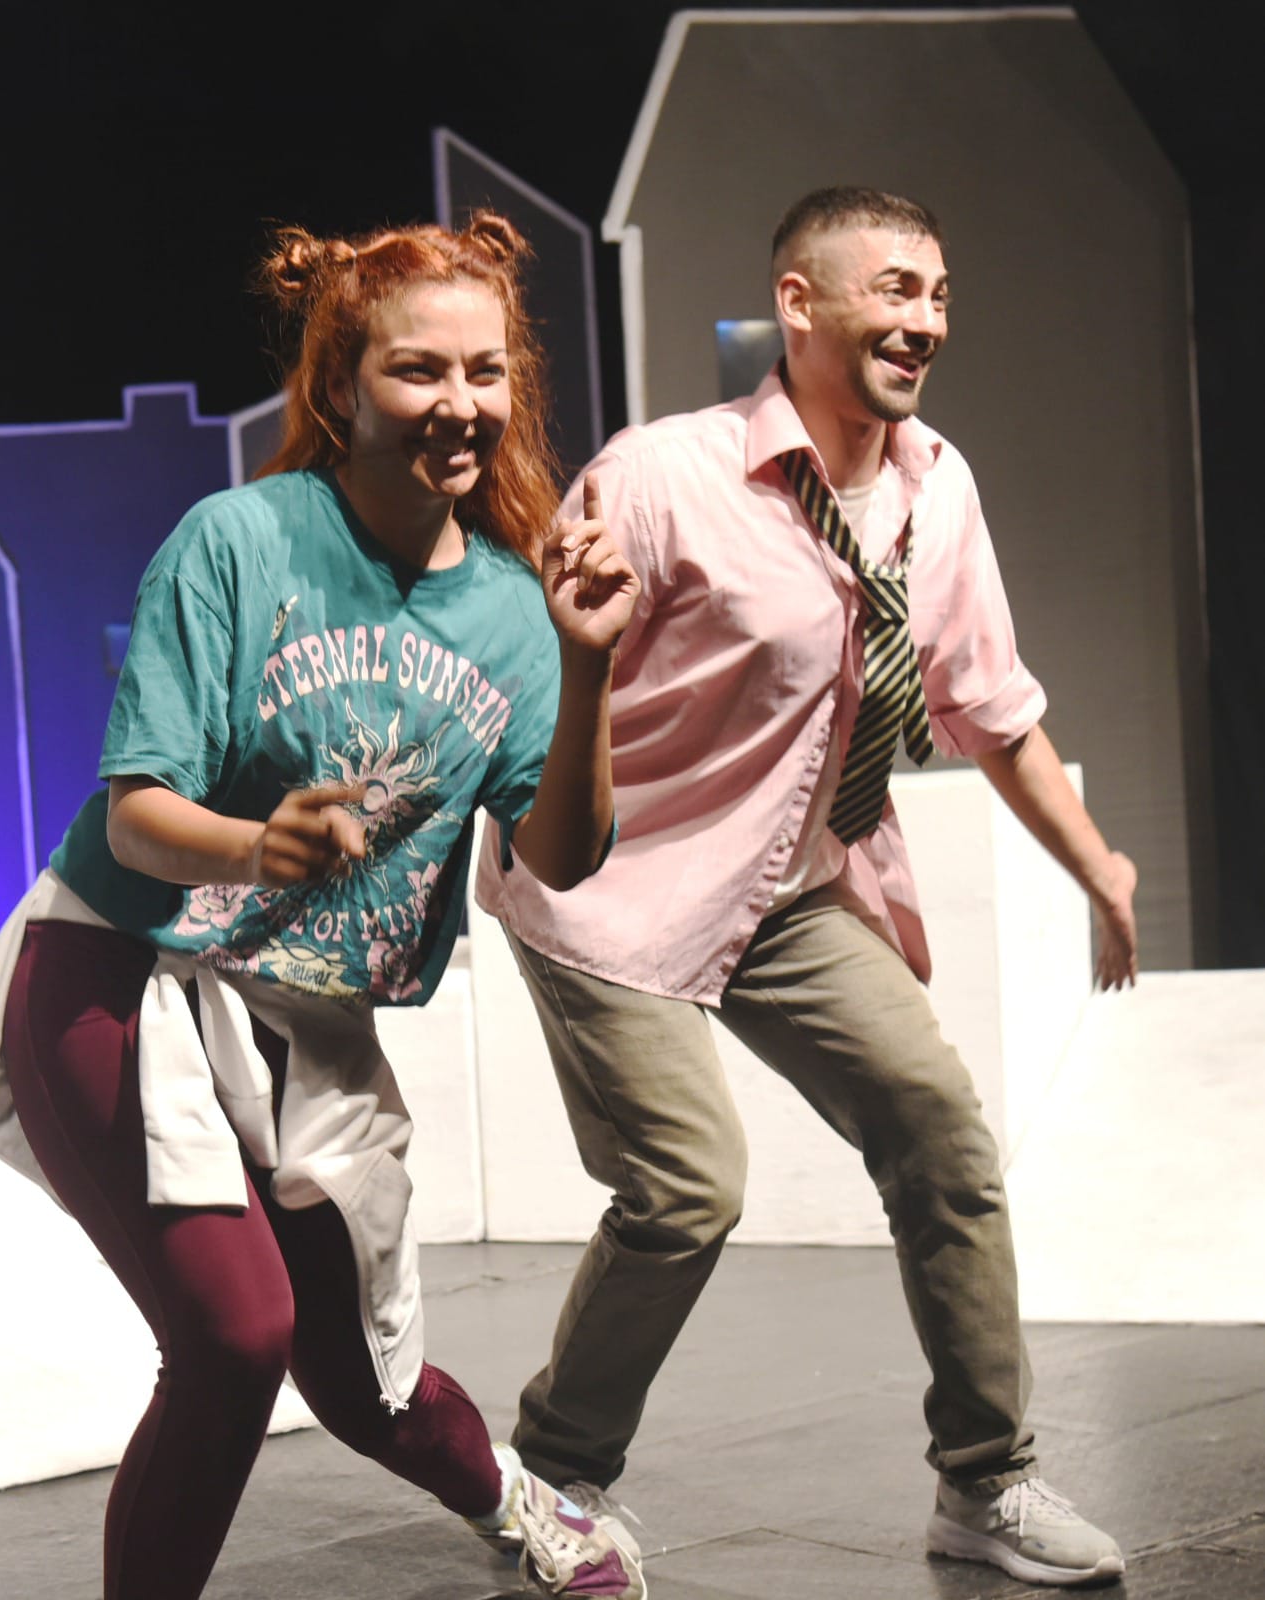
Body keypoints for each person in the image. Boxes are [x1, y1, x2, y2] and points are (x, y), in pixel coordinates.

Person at [0, 211, 645, 1600]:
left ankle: (520, 1507)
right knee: (234, 1337)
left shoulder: (515, 607)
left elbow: (561, 856)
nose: (459, 403)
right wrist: (258, 844)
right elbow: (137, 814)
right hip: (124, 970)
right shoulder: (239, 540)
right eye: (417, 370)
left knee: (364, 1380)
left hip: (303, 1018)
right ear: (338, 387)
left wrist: (588, 669)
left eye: (485, 371)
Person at [476, 185, 1138, 1590]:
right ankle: (555, 1474)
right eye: (896, 289)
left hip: (788, 884)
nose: (925, 321)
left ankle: (986, 1481)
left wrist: (1098, 867)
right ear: (799, 302)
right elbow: (531, 680)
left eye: (939, 295)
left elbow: (991, 708)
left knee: (940, 1131)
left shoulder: (936, 488)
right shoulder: (664, 476)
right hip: (616, 886)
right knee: (687, 1188)